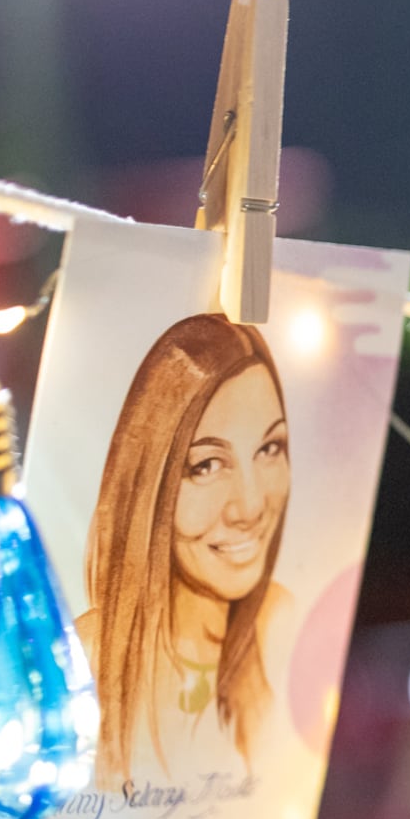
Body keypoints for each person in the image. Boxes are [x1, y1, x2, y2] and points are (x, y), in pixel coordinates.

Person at [78, 314, 296, 787]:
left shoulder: (283, 626)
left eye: (269, 449)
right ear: (149, 483)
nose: (250, 506)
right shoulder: (83, 659)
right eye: (206, 465)